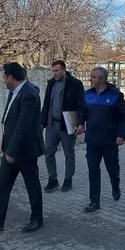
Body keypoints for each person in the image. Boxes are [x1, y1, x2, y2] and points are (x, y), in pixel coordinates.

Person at [0, 62, 45, 232]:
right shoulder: (15, 91)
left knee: (32, 185)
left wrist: (12, 152)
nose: (3, 80)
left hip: (25, 150)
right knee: (3, 184)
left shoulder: (29, 94)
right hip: (11, 148)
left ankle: (37, 219)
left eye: (4, 77)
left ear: (11, 77)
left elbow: (24, 126)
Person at [76, 67, 125, 213]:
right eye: (91, 76)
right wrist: (80, 124)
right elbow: (83, 111)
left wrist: (121, 135)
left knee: (112, 169)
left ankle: (115, 185)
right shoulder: (88, 95)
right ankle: (94, 201)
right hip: (92, 140)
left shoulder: (115, 96)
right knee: (93, 170)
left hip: (109, 140)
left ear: (102, 79)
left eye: (93, 77)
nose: (90, 79)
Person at [41, 60, 85, 193]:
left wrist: (80, 123)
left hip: (67, 124)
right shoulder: (51, 83)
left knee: (69, 154)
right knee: (48, 152)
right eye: (53, 71)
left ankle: (68, 180)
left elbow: (81, 105)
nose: (54, 73)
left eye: (57, 71)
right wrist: (42, 122)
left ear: (64, 70)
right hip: (51, 125)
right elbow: (46, 104)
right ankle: (52, 179)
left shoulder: (75, 84)